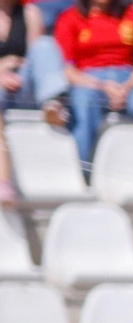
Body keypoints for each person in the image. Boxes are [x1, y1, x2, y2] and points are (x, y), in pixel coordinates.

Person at [47, 0, 133, 166]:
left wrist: (128, 86)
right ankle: (81, 169)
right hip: (89, 81)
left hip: (128, 79)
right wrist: (102, 85)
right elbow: (68, 70)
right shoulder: (69, 18)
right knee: (84, 101)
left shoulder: (132, 14)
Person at [0, 0, 51, 204]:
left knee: (45, 45)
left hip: (22, 83)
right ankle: (3, 180)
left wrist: (15, 66)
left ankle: (52, 104)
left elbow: (34, 57)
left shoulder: (30, 13)